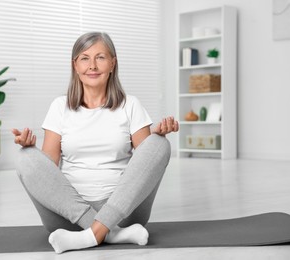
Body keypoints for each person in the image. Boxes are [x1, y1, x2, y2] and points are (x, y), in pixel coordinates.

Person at [12, 32, 179, 254]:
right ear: (75, 65)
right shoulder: (59, 106)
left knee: (159, 144)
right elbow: (49, 167)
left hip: (124, 212)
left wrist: (156, 135)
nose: (92, 65)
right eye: (84, 58)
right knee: (25, 158)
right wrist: (31, 150)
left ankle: (92, 234)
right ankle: (110, 233)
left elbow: (146, 161)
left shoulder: (130, 105)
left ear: (112, 63)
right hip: (68, 216)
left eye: (100, 57)